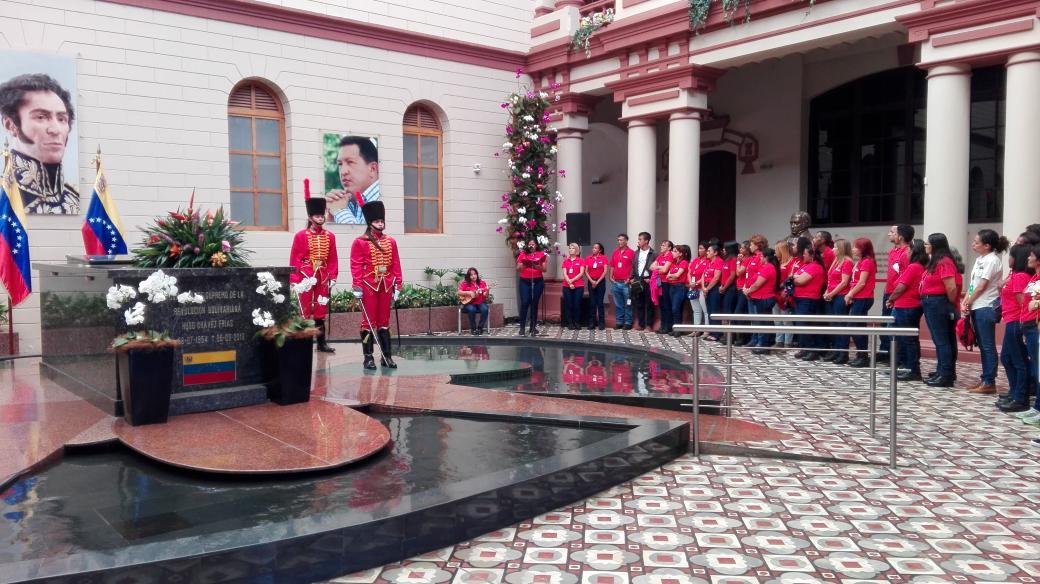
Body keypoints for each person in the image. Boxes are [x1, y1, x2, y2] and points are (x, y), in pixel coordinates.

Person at [0, 73, 80, 214]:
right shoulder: (4, 196)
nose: (55, 130)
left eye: (62, 119)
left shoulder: (75, 197)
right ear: (10, 125)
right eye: (41, 117)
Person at [350, 193, 402, 370]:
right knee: (368, 323)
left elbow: (395, 264)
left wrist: (398, 284)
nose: (380, 223)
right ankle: (368, 357)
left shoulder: (391, 241)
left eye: (382, 220)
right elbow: (356, 265)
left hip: (386, 285)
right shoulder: (360, 242)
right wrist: (357, 286)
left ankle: (386, 356)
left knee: (384, 322)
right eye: (377, 221)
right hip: (369, 285)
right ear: (370, 222)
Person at [289, 179, 339, 353]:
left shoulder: (330, 236)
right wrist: (295, 279)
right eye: (317, 216)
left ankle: (322, 343)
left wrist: (333, 276)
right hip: (305, 276)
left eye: (321, 215)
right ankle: (304, 344)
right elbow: (295, 258)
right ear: (310, 218)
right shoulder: (301, 236)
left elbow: (332, 258)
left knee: (320, 308)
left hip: (323, 276)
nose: (320, 218)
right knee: (304, 309)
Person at [961, 229, 1008, 395]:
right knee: (982, 345)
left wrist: (969, 301)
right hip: (976, 305)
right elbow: (974, 284)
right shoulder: (980, 259)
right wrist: (965, 301)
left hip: (986, 306)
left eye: (976, 242)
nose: (973, 244)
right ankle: (985, 378)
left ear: (987, 246)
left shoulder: (992, 260)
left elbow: (983, 286)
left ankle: (990, 381)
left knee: (987, 346)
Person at [919, 233, 960, 387]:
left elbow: (950, 286)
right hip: (932, 302)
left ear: (935, 245)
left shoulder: (945, 262)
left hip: (938, 302)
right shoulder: (935, 261)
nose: (925, 246)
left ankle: (946, 374)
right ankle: (941, 370)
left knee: (942, 340)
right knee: (940, 340)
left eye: (927, 243)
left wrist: (948, 303)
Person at [996, 245, 1034, 412]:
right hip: (1010, 320)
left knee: (1019, 361)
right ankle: (1014, 391)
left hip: (1016, 323)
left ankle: (1020, 397)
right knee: (1007, 358)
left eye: (1010, 256)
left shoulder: (1020, 277)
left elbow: (1022, 303)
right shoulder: (1015, 275)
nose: (1008, 259)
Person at [886, 239, 927, 381]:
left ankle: (912, 369)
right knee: (906, 339)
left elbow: (901, 286)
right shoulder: (917, 266)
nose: (906, 253)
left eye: (909, 251)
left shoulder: (914, 267)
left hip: (907, 306)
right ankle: (907, 367)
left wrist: (891, 298)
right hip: (907, 305)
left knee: (907, 340)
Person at [327, 135, 380, 224]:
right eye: (340, 164)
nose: (343, 172)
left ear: (372, 169)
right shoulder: (346, 201)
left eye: (350, 162)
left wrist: (339, 211)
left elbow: (368, 236)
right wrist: (331, 219)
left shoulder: (385, 200)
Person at [880, 225, 914, 361]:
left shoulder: (907, 253)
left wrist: (895, 294)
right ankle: (886, 353)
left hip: (898, 295)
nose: (889, 234)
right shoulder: (892, 251)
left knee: (895, 327)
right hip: (888, 292)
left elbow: (905, 277)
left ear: (900, 236)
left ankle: (898, 358)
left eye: (892, 232)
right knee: (885, 325)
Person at [791, 237, 826, 360]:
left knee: (805, 325)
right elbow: (793, 276)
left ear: (811, 255)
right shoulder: (806, 265)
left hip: (808, 299)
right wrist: (794, 278)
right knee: (801, 325)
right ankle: (805, 348)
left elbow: (799, 281)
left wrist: (793, 279)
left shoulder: (815, 267)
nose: (803, 256)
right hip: (800, 298)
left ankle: (812, 349)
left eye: (805, 254)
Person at [844, 238, 877, 367]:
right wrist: (852, 294)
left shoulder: (867, 262)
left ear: (863, 249)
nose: (853, 249)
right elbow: (854, 281)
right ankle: (861, 355)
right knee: (858, 327)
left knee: (853, 326)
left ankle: (863, 356)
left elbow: (862, 282)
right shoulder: (860, 261)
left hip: (864, 298)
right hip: (858, 297)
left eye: (855, 247)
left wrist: (850, 293)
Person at [1017, 246, 1040, 421]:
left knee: (1038, 369)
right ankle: (1037, 407)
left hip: (1035, 326)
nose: (1028, 258)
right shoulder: (1034, 277)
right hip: (1028, 324)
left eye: (1031, 256)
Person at [822, 239, 853, 364]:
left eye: (835, 247)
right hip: (832, 295)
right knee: (833, 325)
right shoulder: (836, 261)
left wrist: (831, 293)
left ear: (841, 249)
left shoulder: (847, 262)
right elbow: (830, 279)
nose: (833, 250)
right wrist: (826, 292)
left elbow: (844, 282)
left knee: (841, 325)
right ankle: (835, 350)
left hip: (840, 296)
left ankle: (842, 353)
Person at [744, 246, 780, 353]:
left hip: (764, 298)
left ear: (766, 257)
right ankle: (764, 344)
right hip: (761, 298)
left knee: (763, 323)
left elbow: (758, 284)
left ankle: (763, 345)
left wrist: (748, 291)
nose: (760, 259)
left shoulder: (768, 267)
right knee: (764, 322)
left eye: (762, 257)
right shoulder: (768, 266)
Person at [516, 239, 547, 336]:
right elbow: (518, 269)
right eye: (529, 244)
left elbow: (544, 269)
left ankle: (533, 327)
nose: (531, 246)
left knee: (534, 303)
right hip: (525, 281)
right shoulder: (523, 254)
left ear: (536, 246)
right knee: (525, 302)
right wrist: (525, 265)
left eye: (533, 244)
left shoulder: (541, 254)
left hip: (537, 281)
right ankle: (522, 327)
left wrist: (535, 266)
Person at [631, 232, 657, 331]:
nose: (639, 241)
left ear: (646, 241)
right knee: (639, 303)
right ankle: (641, 324)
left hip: (647, 281)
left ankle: (648, 325)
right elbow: (634, 266)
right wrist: (632, 277)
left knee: (649, 304)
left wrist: (651, 279)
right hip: (637, 280)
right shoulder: (636, 253)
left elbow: (655, 269)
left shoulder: (653, 254)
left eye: (640, 239)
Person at [610, 233, 636, 330]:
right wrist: (610, 277)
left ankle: (628, 322)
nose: (619, 242)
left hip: (626, 283)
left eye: (621, 240)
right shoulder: (615, 252)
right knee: (618, 304)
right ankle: (619, 322)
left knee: (628, 303)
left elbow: (634, 267)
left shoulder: (631, 253)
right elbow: (612, 265)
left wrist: (629, 278)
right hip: (616, 283)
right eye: (618, 240)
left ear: (626, 241)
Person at [773, 239, 796, 348]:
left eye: (777, 249)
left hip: (785, 293)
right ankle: (779, 341)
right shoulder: (778, 262)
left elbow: (790, 279)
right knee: (777, 319)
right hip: (776, 293)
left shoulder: (792, 262)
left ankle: (788, 342)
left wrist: (785, 290)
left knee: (786, 319)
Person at [663, 244, 689, 336]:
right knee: (674, 308)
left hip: (679, 287)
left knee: (675, 308)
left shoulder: (684, 262)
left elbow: (677, 275)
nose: (672, 253)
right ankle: (675, 328)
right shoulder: (674, 262)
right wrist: (672, 276)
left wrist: (672, 276)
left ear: (680, 254)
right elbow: (668, 275)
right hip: (672, 287)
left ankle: (678, 329)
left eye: (675, 251)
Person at [701, 242, 724, 340]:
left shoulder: (719, 261)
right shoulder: (709, 262)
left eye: (709, 251)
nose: (707, 252)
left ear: (715, 252)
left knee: (715, 310)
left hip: (713, 288)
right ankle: (711, 331)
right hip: (706, 288)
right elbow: (703, 275)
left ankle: (716, 334)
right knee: (709, 310)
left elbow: (716, 278)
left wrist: (707, 289)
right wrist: (703, 287)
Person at [650, 240, 674, 333]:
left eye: (664, 245)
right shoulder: (660, 256)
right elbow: (651, 267)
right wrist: (660, 267)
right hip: (659, 283)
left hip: (667, 283)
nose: (661, 246)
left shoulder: (670, 255)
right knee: (662, 306)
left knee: (667, 305)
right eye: (661, 245)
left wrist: (658, 267)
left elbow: (665, 270)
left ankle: (668, 326)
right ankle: (663, 325)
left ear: (669, 248)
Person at [562, 243, 586, 330]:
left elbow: (581, 273)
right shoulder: (565, 261)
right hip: (566, 285)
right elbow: (565, 273)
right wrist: (569, 282)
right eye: (569, 248)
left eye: (572, 248)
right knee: (569, 305)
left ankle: (577, 322)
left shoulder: (581, 261)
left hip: (578, 285)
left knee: (577, 304)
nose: (570, 250)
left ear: (576, 250)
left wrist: (572, 281)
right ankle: (570, 323)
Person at [458, 267, 490, 335]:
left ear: (477, 275)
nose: (473, 276)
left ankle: (480, 328)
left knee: (485, 309)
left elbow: (485, 295)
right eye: (471, 275)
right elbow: (459, 292)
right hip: (469, 303)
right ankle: (473, 329)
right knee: (472, 309)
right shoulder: (465, 283)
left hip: (480, 302)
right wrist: (469, 293)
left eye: (475, 274)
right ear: (469, 276)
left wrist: (487, 290)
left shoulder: (482, 283)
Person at [585, 243, 608, 331]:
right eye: (593, 248)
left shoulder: (604, 258)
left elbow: (605, 271)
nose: (593, 249)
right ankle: (592, 322)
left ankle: (601, 322)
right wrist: (591, 281)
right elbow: (586, 271)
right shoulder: (588, 258)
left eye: (595, 248)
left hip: (600, 282)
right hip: (591, 281)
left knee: (600, 302)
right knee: (592, 303)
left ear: (600, 250)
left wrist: (597, 282)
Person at [688, 242, 709, 330]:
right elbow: (689, 272)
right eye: (699, 248)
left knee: (705, 311)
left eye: (701, 248)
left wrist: (696, 283)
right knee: (696, 310)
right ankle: (696, 330)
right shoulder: (696, 260)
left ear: (706, 250)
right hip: (693, 288)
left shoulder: (708, 261)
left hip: (701, 288)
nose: (699, 250)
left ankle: (706, 331)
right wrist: (691, 283)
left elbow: (705, 275)